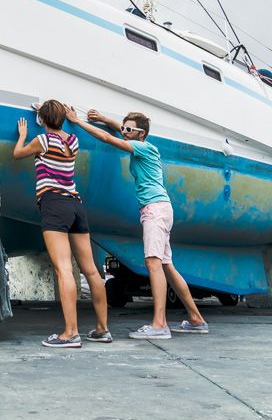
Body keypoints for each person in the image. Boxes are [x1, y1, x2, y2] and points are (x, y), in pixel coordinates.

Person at [66, 107, 209, 339]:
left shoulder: (142, 147)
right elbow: (118, 131)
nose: (124, 131)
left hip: (154, 211)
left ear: (141, 134)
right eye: (123, 127)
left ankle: (159, 325)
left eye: (129, 129)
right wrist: (104, 118)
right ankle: (196, 319)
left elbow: (106, 138)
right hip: (161, 209)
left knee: (153, 264)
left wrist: (76, 121)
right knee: (167, 266)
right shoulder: (144, 145)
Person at [12, 99, 111, 348]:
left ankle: (70, 333)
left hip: (54, 204)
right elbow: (58, 130)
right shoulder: (73, 141)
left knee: (63, 269)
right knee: (90, 270)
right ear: (64, 119)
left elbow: (17, 154)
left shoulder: (42, 141)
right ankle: (102, 330)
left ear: (43, 120)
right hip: (76, 205)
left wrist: (23, 134)